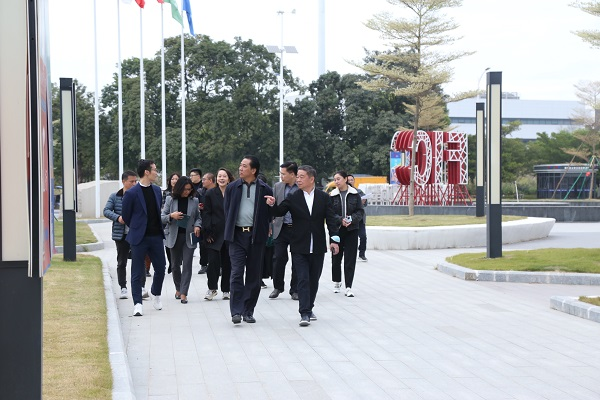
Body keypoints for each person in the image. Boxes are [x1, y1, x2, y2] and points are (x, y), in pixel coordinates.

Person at [265, 165, 340, 326]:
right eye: (297, 176)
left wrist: (334, 240)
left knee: (313, 280)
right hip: (299, 245)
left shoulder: (323, 197)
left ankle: (309, 307)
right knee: (303, 279)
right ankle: (304, 313)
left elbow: (331, 220)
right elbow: (279, 212)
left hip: (318, 245)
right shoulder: (293, 197)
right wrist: (272, 205)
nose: (298, 179)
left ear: (311, 179)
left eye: (301, 176)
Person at [223, 155, 273, 324]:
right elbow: (227, 211)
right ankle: (236, 311)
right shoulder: (232, 187)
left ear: (253, 170)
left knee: (254, 276)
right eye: (240, 165)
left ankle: (248, 311)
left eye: (244, 166)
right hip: (236, 235)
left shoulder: (265, 189)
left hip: (256, 236)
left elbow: (270, 215)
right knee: (236, 273)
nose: (240, 168)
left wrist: (272, 205)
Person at [121, 159, 167, 316]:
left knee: (161, 268)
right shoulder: (131, 193)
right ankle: (137, 304)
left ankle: (156, 293)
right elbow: (126, 216)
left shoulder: (157, 190)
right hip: (139, 238)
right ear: (147, 172)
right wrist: (137, 227)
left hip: (156, 236)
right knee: (137, 272)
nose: (156, 173)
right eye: (154, 170)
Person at [103, 170, 149, 299]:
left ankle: (141, 287)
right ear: (123, 181)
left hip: (137, 234)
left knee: (139, 260)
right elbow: (106, 210)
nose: (134, 184)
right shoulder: (115, 196)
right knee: (121, 262)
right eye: (131, 181)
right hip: (121, 234)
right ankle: (123, 287)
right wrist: (118, 218)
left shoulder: (140, 195)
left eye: (135, 181)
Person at [161, 176, 202, 304]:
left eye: (189, 189)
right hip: (174, 236)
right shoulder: (170, 199)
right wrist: (171, 216)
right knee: (174, 265)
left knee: (187, 265)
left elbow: (198, 217)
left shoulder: (194, 200)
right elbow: (161, 217)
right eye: (185, 189)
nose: (187, 192)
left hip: (189, 237)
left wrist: (197, 225)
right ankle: (178, 288)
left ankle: (184, 293)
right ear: (179, 188)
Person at [329, 170, 364, 297]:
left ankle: (348, 286)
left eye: (338, 179)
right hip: (337, 230)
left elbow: (360, 212)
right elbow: (330, 213)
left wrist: (351, 219)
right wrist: (340, 220)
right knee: (336, 258)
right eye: (335, 179)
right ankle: (337, 282)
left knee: (350, 259)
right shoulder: (332, 195)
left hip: (352, 230)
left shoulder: (355, 194)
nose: (336, 181)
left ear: (345, 179)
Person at [202, 168, 234, 300]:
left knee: (228, 263)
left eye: (224, 176)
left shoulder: (234, 192)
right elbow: (206, 213)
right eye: (219, 176)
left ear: (229, 179)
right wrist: (207, 232)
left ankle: (226, 290)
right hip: (213, 233)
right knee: (213, 262)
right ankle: (212, 288)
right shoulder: (210, 193)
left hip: (230, 233)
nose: (221, 178)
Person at [269, 161, 299, 300]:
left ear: (292, 174)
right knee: (278, 258)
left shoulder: (301, 187)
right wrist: (270, 224)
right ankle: (278, 287)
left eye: (283, 174)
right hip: (281, 228)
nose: (281, 176)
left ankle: (295, 290)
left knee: (297, 260)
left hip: (297, 229)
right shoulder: (278, 186)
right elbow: (273, 207)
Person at [190, 167, 209, 274]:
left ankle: (204, 264)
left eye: (193, 175)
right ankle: (203, 264)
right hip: (193, 217)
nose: (191, 177)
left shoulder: (204, 187)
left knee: (204, 242)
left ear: (198, 176)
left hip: (204, 216)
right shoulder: (189, 186)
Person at [162, 172, 181, 273]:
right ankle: (171, 263)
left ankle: (176, 263)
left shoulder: (184, 192)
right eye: (172, 179)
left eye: (176, 179)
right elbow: (163, 207)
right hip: (168, 220)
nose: (174, 181)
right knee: (168, 244)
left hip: (179, 219)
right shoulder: (166, 193)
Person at [347, 174, 368, 262]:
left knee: (363, 236)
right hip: (350, 218)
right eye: (348, 180)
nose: (350, 182)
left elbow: (365, 204)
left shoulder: (359, 192)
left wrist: (364, 201)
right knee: (350, 238)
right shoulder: (345, 193)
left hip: (360, 219)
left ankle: (362, 254)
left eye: (351, 180)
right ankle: (349, 254)